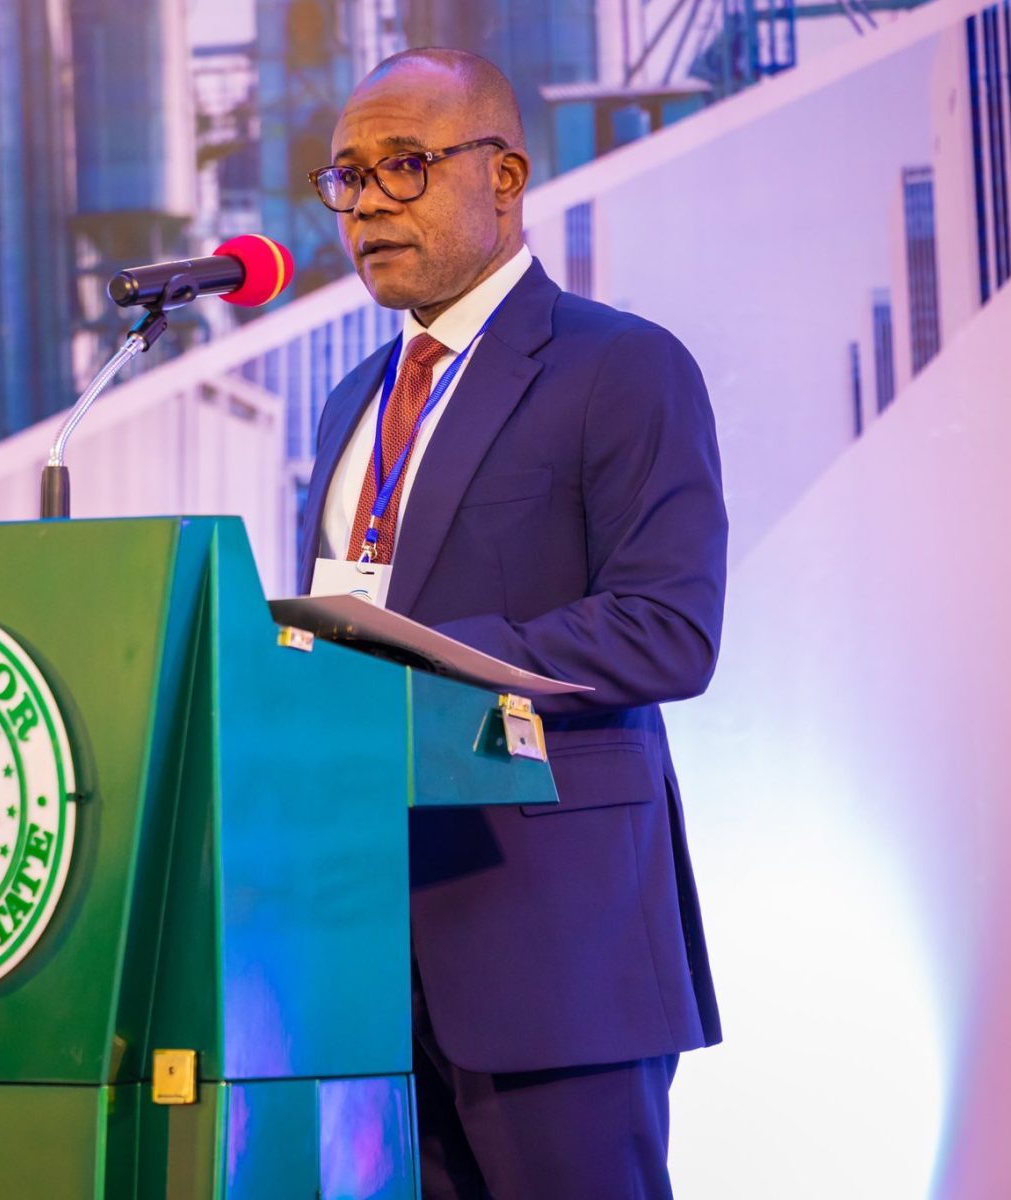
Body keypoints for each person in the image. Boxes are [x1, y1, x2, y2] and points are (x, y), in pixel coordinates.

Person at [296, 49, 729, 1197]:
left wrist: (426, 659)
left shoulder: (621, 365)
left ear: (505, 175)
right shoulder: (349, 402)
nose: (368, 203)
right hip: (369, 948)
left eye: (404, 165)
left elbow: (667, 627)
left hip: (556, 946)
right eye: (347, 177)